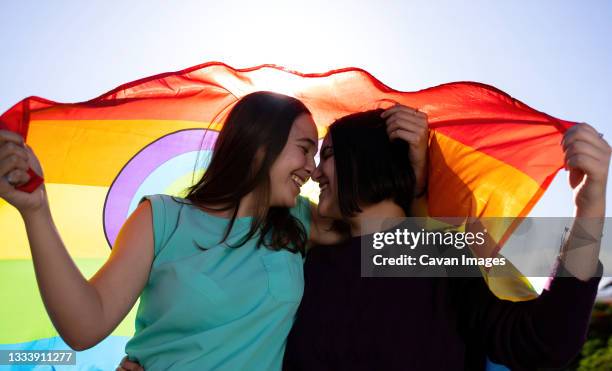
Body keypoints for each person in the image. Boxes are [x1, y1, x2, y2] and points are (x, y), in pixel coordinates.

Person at [0, 92, 427, 370]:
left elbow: (395, 233)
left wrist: (416, 172)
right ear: (260, 145)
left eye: (319, 156)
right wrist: (37, 213)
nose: (312, 170)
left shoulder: (301, 221)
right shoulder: (161, 218)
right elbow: (84, 325)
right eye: (303, 149)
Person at [281, 110, 609, 370]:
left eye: (329, 155)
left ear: (367, 158)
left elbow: (543, 343)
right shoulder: (309, 262)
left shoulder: (440, 253)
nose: (315, 171)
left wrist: (589, 207)